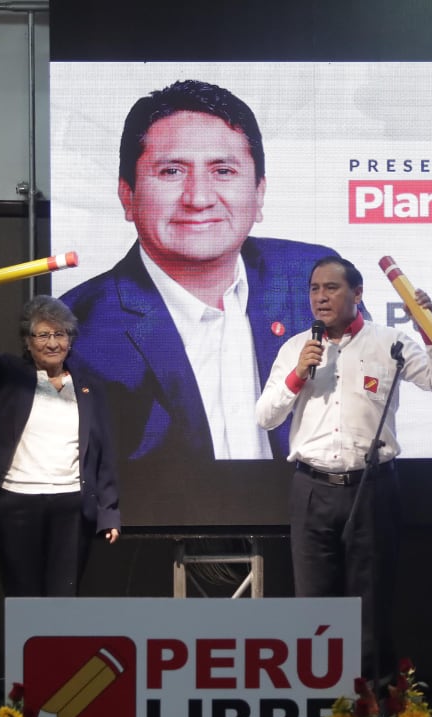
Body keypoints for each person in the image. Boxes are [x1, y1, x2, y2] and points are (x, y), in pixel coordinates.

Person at [61, 79, 335, 478]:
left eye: (223, 170)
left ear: (259, 195)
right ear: (127, 195)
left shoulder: (313, 279)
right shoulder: (79, 327)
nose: (198, 198)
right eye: (171, 171)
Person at [254, 255, 432, 682]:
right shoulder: (297, 348)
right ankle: (320, 701)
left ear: (357, 294)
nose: (321, 297)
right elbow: (265, 417)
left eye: (331, 288)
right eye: (314, 289)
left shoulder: (390, 342)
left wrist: (429, 329)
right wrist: (297, 376)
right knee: (314, 606)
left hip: (371, 487)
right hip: (311, 490)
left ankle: (373, 703)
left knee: (370, 605)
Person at [0, 270, 120, 596]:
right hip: (16, 504)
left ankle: (58, 649)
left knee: (64, 598)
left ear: (71, 339)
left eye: (60, 335)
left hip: (72, 506)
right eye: (42, 335)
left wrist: (110, 512)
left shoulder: (89, 387)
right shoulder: (10, 376)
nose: (52, 343)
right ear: (27, 342)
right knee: (23, 596)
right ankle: (25, 649)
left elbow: (102, 454)